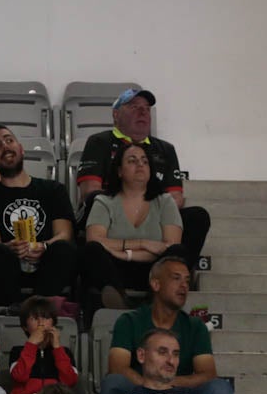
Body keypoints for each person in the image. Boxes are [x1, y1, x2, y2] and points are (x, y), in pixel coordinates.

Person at [100, 255, 234, 394]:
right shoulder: (129, 320)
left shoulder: (195, 326)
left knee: (219, 388)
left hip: (183, 393)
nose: (184, 286)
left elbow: (208, 374)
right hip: (136, 392)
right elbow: (117, 368)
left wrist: (168, 385)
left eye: (188, 280)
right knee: (113, 381)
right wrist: (150, 385)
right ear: (155, 284)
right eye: (176, 278)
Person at [76, 86, 208, 270]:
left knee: (197, 217)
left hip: (155, 216)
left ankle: (176, 275)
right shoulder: (99, 142)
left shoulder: (165, 149)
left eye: (146, 109)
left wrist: (149, 208)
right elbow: (90, 190)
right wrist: (127, 203)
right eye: (134, 107)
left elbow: (176, 198)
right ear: (116, 115)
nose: (142, 112)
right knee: (93, 201)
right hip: (110, 217)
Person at [0, 125, 77, 303]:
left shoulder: (53, 190)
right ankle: (11, 309)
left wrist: (44, 246)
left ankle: (40, 307)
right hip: (9, 267)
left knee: (63, 248)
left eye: (9, 140)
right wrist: (10, 248)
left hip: (47, 265)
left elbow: (64, 234)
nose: (5, 146)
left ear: (21, 149)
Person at [81, 140, 182, 311]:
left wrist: (122, 253)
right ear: (119, 171)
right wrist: (143, 244)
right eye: (132, 160)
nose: (140, 165)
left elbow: (169, 247)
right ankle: (119, 300)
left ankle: (154, 302)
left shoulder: (165, 202)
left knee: (177, 253)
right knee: (92, 250)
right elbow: (95, 240)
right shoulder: (104, 201)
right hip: (114, 270)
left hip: (153, 269)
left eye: (144, 161)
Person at [8, 298, 79, 394]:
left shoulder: (64, 352)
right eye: (35, 318)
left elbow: (70, 381)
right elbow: (19, 377)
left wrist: (57, 348)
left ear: (53, 324)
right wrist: (31, 344)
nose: (41, 323)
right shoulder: (18, 351)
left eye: (46, 318)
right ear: (25, 327)